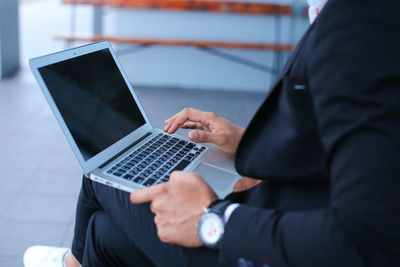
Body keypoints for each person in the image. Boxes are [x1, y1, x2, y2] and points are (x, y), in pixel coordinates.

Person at [24, 0, 400, 266]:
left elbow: (370, 239)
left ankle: (71, 263)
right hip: (281, 214)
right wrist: (246, 147)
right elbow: (352, 160)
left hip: (267, 242)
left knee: (99, 179)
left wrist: (211, 220)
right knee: (104, 234)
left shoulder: (364, 22)